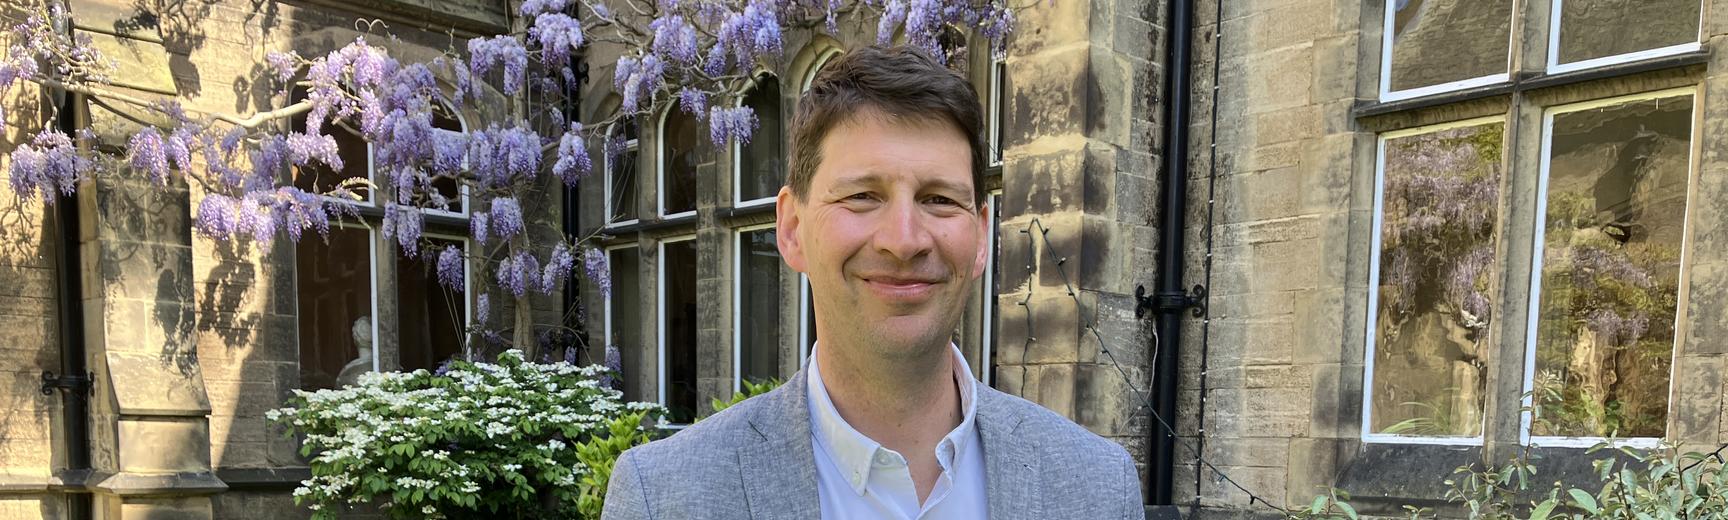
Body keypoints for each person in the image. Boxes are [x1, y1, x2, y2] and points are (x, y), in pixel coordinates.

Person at [603, 45, 1145, 520]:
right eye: (862, 196)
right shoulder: (664, 497)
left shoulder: (1097, 489)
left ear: (981, 235)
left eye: (938, 199)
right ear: (792, 229)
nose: (904, 239)